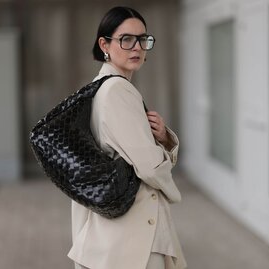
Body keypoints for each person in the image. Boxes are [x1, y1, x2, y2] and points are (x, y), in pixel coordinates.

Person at [67, 6, 187, 269]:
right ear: (104, 44)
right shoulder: (117, 90)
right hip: (132, 236)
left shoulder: (100, 87)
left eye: (143, 39)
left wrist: (165, 138)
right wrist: (171, 185)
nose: (137, 47)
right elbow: (150, 167)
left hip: (116, 232)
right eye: (126, 39)